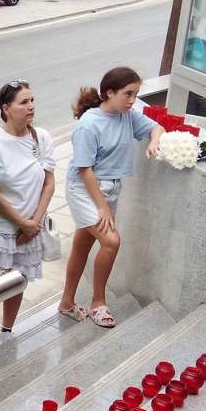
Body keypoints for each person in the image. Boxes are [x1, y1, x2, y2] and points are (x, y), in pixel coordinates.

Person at [58, 67, 163, 328]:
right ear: (109, 92)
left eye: (136, 95)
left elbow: (157, 127)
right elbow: (85, 170)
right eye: (128, 94)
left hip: (111, 188)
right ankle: (98, 302)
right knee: (111, 241)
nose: (132, 100)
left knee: (83, 243)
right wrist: (103, 208)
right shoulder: (89, 124)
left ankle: (67, 302)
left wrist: (153, 141)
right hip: (85, 189)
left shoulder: (127, 115)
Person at [0, 80, 56, 350]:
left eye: (32, 100)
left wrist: (33, 223)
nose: (31, 107)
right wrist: (21, 223)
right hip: (4, 226)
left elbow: (49, 182)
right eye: (24, 102)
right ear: (6, 108)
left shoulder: (42, 137)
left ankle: (8, 328)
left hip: (31, 226)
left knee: (19, 278)